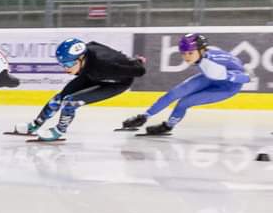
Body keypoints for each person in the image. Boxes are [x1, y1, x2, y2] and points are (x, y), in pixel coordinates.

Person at [17, 37, 145, 142]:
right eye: (63, 65)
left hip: (116, 83)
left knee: (71, 102)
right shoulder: (86, 53)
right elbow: (95, 43)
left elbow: (140, 71)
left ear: (81, 59)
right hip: (90, 73)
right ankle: (35, 125)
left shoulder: (106, 66)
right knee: (59, 98)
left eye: (68, 65)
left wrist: (136, 61)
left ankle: (59, 131)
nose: (66, 69)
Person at [120, 33, 249, 135]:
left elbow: (246, 77)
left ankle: (168, 126)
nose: (187, 57)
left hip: (227, 87)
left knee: (184, 102)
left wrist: (232, 76)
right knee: (175, 93)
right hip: (211, 77)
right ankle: (143, 117)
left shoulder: (214, 63)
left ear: (202, 51)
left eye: (190, 53)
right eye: (183, 53)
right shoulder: (204, 58)